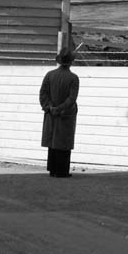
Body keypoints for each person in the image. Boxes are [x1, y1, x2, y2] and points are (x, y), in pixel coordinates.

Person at [39, 47, 79, 178]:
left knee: (53, 141)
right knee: (64, 142)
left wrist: (49, 107)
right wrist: (60, 108)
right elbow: (71, 99)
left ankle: (53, 169)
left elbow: (43, 93)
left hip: (51, 113)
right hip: (66, 115)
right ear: (71, 62)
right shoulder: (73, 78)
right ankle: (62, 171)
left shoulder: (50, 75)